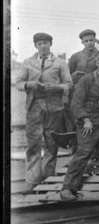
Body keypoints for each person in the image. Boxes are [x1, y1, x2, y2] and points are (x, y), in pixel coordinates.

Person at [13, 32, 73, 192]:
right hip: (34, 107)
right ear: (35, 46)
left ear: (50, 44)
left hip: (54, 108)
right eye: (39, 43)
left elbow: (68, 84)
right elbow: (18, 82)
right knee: (33, 144)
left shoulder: (60, 63)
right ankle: (32, 180)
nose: (43, 46)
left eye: (46, 43)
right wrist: (29, 84)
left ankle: (48, 179)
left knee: (51, 144)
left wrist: (54, 87)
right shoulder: (27, 62)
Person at [60, 53, 99, 201]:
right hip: (90, 122)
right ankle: (68, 187)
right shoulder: (87, 80)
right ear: (98, 64)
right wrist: (85, 119)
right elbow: (76, 102)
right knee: (84, 151)